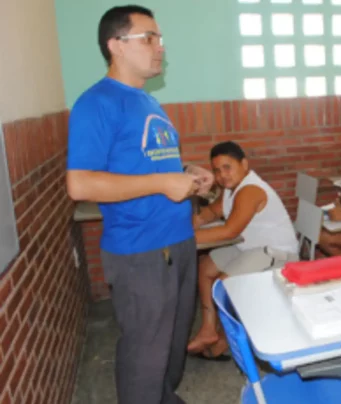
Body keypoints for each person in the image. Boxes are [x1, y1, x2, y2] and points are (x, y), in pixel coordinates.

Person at [65, 6, 213, 403]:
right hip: (142, 252)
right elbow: (80, 184)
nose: (159, 47)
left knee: (169, 351)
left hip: (178, 243)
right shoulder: (96, 103)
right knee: (145, 357)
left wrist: (187, 172)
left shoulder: (150, 104)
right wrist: (165, 181)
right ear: (116, 46)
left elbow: (147, 166)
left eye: (159, 38)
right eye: (148, 38)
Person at [186, 141, 298, 358]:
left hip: (276, 253)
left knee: (225, 286)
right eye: (217, 170)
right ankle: (209, 330)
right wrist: (192, 222)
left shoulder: (250, 189)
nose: (222, 175)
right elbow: (212, 212)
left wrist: (184, 237)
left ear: (244, 164)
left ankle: (229, 340)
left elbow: (230, 231)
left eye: (227, 167)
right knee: (205, 267)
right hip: (250, 247)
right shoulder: (231, 188)